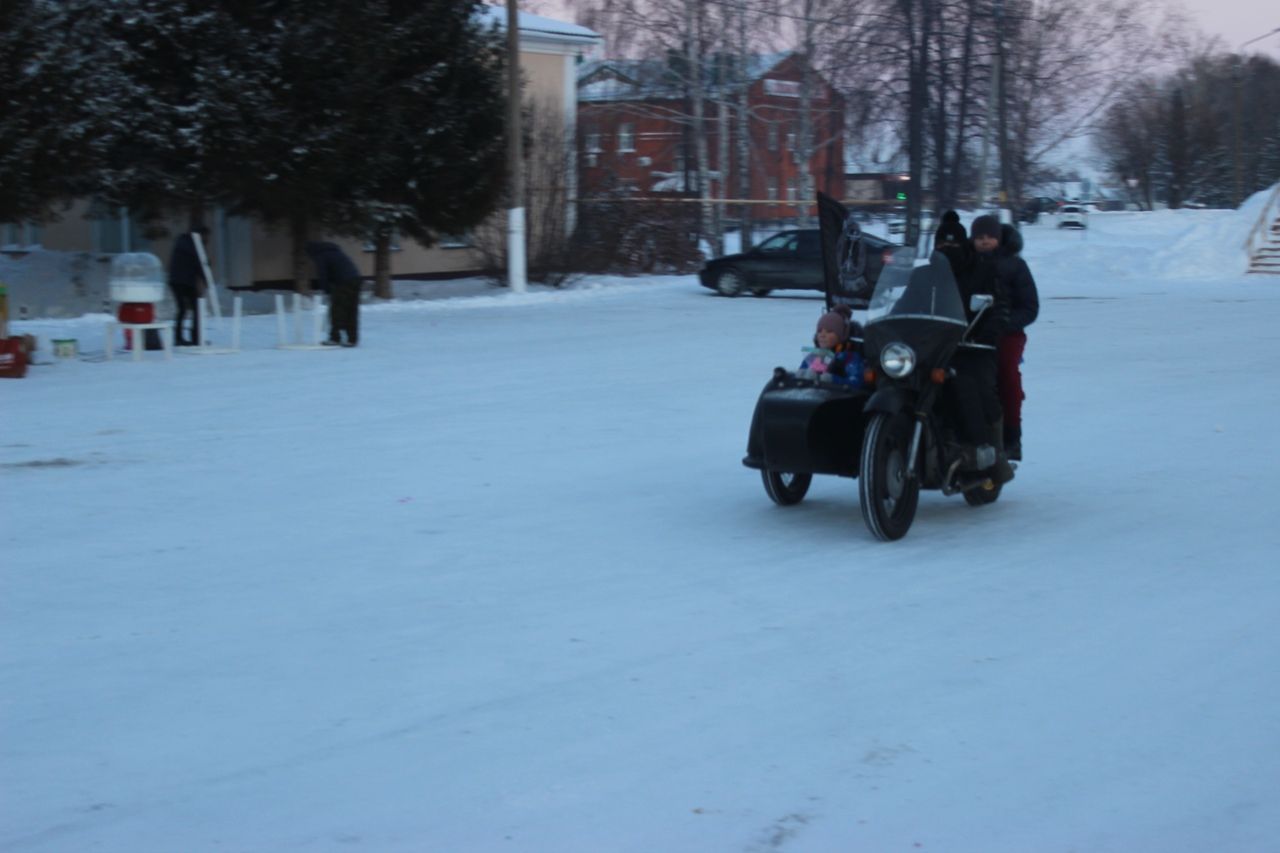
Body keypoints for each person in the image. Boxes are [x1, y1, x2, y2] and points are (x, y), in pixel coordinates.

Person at [967, 215, 1039, 460]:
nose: (985, 242)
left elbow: (1030, 307)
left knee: (1006, 375)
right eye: (979, 238)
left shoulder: (1014, 265)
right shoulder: (966, 263)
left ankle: (1011, 436)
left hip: (1006, 334)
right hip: (969, 331)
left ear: (999, 238)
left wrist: (1005, 323)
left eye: (989, 237)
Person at [305, 240, 362, 347]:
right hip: (356, 278)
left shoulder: (320, 255)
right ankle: (352, 339)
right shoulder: (334, 251)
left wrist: (326, 290)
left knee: (337, 310)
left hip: (344, 282)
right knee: (351, 310)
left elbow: (323, 275)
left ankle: (335, 338)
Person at [799, 305, 863, 386]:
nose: (822, 335)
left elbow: (856, 383)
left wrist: (832, 379)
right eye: (819, 331)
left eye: (829, 331)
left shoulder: (849, 357)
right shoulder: (814, 356)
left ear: (841, 336)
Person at [167, 226, 209, 346]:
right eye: (206, 236)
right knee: (191, 309)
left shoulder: (183, 242)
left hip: (177, 280)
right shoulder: (194, 246)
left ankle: (181, 338)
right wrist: (206, 280)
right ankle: (192, 338)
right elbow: (199, 264)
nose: (207, 239)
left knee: (184, 309)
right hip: (183, 281)